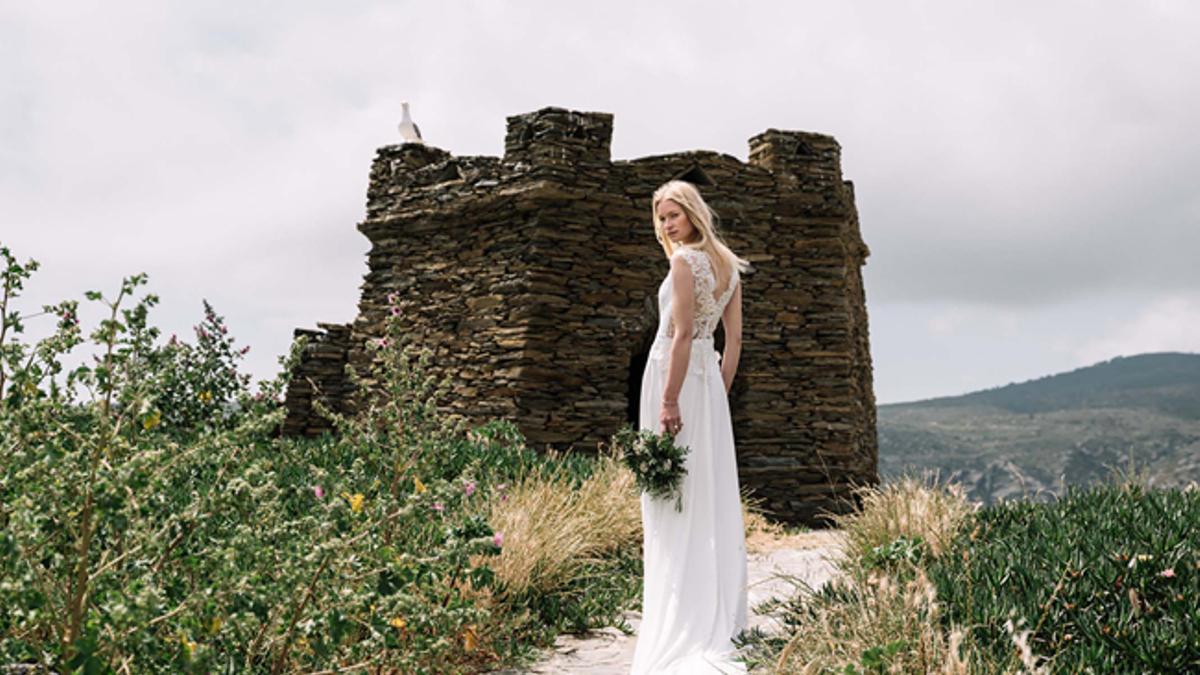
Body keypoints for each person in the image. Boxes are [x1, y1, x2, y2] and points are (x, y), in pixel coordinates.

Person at [631, 180, 752, 674]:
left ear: (694, 213)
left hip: (675, 379)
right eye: (661, 217)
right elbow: (735, 340)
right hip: (708, 389)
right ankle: (710, 604)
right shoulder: (729, 264)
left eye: (673, 215)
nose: (666, 225)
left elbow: (680, 335)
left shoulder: (684, 262)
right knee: (706, 492)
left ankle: (681, 611)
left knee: (671, 494)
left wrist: (668, 399)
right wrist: (716, 394)